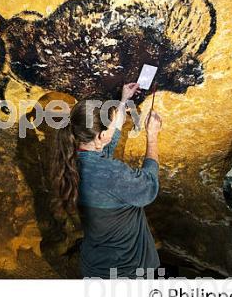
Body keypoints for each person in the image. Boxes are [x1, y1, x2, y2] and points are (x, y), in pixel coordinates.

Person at [50, 82, 163, 278]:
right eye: (110, 124)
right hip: (126, 272)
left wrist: (123, 101)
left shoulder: (71, 159)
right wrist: (152, 136)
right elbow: (149, 187)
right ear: (101, 135)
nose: (114, 129)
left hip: (95, 266)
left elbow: (108, 143)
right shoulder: (111, 174)